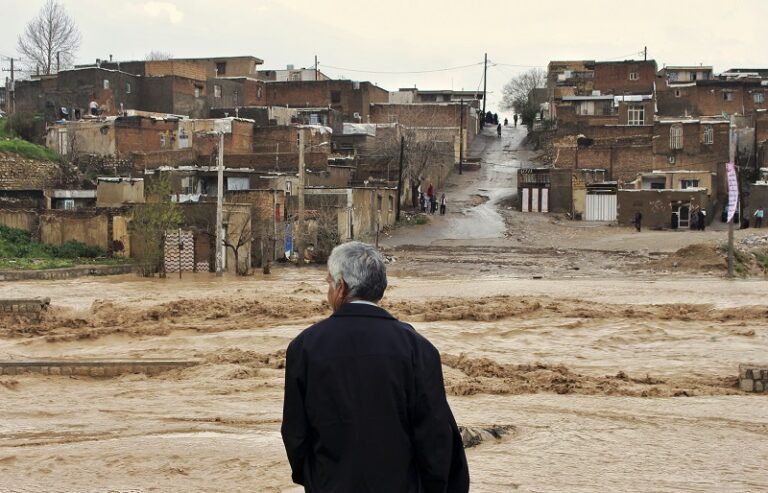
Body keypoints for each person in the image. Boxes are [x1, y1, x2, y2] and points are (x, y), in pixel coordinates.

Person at [282, 242, 470, 493]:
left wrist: (316, 480)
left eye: (329, 283)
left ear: (341, 288)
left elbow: (295, 434)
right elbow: (435, 435)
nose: (328, 291)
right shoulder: (418, 348)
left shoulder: (304, 347)